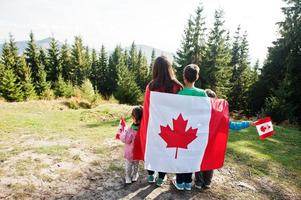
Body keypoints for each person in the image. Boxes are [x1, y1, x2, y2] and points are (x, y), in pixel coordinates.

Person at [194, 88, 254, 190]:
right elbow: (234, 125)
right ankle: (207, 182)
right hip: (212, 144)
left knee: (200, 160)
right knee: (210, 160)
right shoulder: (220, 115)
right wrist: (248, 123)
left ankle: (199, 183)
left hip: (201, 142)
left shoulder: (200, 114)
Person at [142, 56, 183, 187]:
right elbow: (181, 108)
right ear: (169, 69)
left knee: (152, 148)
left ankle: (150, 175)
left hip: (153, 125)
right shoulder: (177, 86)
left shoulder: (151, 86)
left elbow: (147, 107)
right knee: (165, 150)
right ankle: (161, 177)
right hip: (170, 125)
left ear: (155, 69)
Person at [172, 64, 207, 191]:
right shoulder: (203, 94)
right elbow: (206, 113)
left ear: (184, 77)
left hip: (181, 131)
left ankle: (180, 182)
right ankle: (188, 182)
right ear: (196, 77)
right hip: (196, 131)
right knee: (192, 156)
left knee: (181, 156)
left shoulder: (179, 94)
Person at [118, 106, 143, 184]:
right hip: (138, 152)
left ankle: (128, 177)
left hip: (130, 153)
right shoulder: (143, 129)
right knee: (136, 165)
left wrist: (122, 132)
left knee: (128, 165)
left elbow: (126, 140)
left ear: (133, 117)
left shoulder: (130, 130)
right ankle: (135, 175)